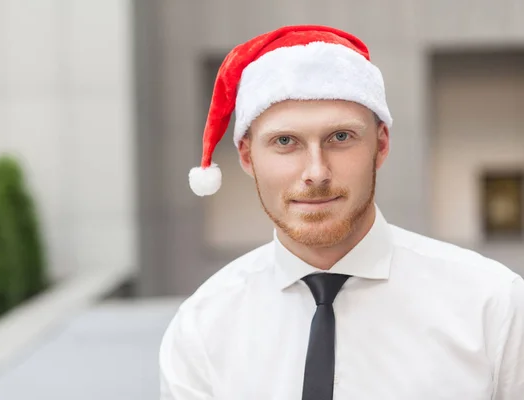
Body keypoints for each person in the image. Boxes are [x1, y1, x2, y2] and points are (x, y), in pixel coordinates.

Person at [158, 25, 524, 400]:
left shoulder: (493, 306)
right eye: (285, 141)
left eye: (340, 137)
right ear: (247, 157)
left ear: (380, 145)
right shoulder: (203, 328)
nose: (316, 172)